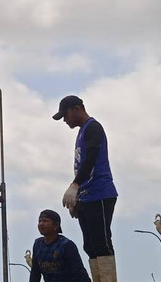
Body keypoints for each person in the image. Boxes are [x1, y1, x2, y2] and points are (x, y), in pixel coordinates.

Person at [52, 95, 118, 282]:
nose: (65, 120)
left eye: (65, 115)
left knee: (101, 242)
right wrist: (78, 195)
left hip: (100, 193)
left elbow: (90, 161)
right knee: (89, 245)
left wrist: (74, 185)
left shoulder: (93, 128)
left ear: (76, 109)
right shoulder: (81, 132)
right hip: (87, 196)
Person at [29, 209, 91, 282]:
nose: (41, 224)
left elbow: (79, 273)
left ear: (56, 225)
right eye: (40, 221)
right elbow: (35, 273)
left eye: (45, 221)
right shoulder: (37, 244)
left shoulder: (66, 245)